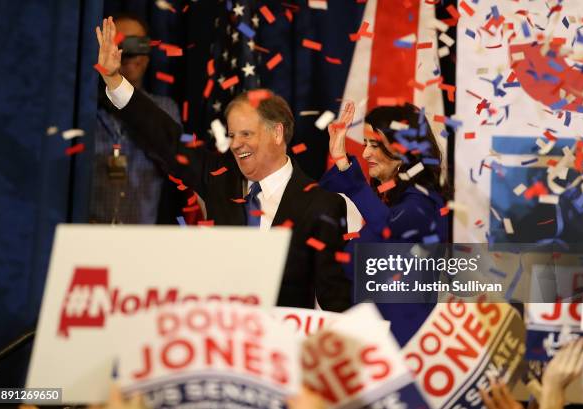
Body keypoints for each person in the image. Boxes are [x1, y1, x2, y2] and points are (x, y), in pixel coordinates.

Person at [94, 17, 351, 311]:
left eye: (246, 134)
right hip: (218, 341)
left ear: (277, 132)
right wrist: (115, 81)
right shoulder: (218, 175)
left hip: (279, 347)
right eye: (231, 135)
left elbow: (335, 300)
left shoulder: (320, 204)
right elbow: (165, 137)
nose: (236, 144)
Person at [319, 101, 449, 345]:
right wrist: (339, 158)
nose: (365, 153)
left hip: (404, 348)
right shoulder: (390, 200)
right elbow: (321, 193)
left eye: (374, 145)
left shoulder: (423, 205)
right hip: (372, 340)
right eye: (366, 144)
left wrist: (349, 172)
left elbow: (390, 228)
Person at [90, 13, 186, 225]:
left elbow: (174, 160)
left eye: (138, 44)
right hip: (89, 231)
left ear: (148, 52)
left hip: (141, 236)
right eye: (121, 45)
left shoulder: (164, 108)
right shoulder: (86, 110)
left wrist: (125, 97)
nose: (131, 54)